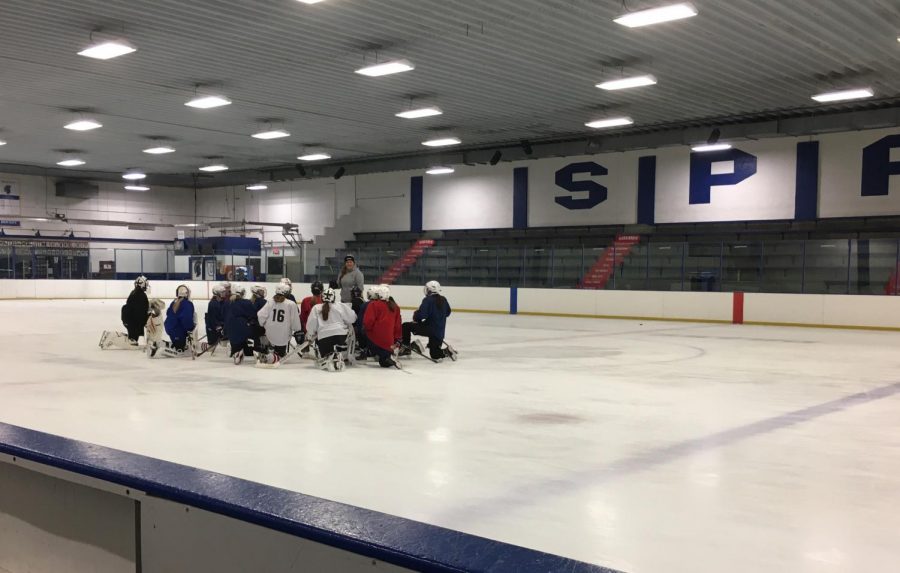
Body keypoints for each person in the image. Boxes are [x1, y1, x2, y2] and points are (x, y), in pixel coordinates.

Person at [401, 280, 453, 360]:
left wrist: (416, 316)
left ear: (429, 290)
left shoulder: (428, 300)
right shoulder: (443, 299)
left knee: (406, 326)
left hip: (429, 329)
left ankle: (406, 348)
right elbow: (448, 312)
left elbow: (422, 315)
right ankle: (446, 352)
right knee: (435, 354)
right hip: (439, 332)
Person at [306, 287, 356, 369]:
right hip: (341, 336)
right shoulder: (340, 306)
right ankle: (341, 354)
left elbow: (311, 325)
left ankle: (330, 357)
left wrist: (310, 334)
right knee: (350, 329)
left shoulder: (316, 308)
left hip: (324, 337)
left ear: (322, 298)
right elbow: (352, 318)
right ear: (334, 297)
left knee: (325, 355)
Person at [257, 284, 303, 360]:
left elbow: (260, 315)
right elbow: (295, 323)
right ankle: (275, 356)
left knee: (269, 336)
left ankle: (269, 350)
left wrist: (264, 325)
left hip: (269, 335)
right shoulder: (291, 304)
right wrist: (297, 330)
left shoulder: (270, 302)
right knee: (281, 354)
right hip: (283, 337)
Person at [362, 284, 402, 369]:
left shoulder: (374, 304)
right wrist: (397, 340)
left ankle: (375, 353)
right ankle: (388, 355)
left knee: (364, 335)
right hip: (390, 343)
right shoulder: (395, 307)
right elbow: (397, 326)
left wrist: (365, 329)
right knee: (383, 363)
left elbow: (367, 322)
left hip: (377, 338)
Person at [226, 285, 258, 364]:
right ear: (242, 293)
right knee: (254, 332)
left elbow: (224, 317)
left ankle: (235, 351)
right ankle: (251, 351)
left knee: (236, 340)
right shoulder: (247, 302)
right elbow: (254, 315)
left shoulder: (227, 303)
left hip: (229, 330)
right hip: (243, 328)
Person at [164, 285, 196, 353]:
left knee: (177, 342)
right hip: (179, 331)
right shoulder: (187, 304)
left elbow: (168, 313)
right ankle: (179, 346)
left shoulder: (173, 302)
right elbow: (186, 318)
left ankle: (175, 344)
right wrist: (191, 328)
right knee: (180, 347)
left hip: (169, 329)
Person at [123, 276, 150, 344]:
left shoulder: (134, 292)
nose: (146, 286)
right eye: (146, 284)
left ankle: (133, 337)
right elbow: (141, 312)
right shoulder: (141, 295)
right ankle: (134, 338)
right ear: (143, 284)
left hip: (129, 320)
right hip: (134, 322)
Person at [205, 283, 228, 349]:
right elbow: (213, 319)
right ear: (217, 293)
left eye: (224, 292)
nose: (224, 293)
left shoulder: (223, 302)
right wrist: (219, 327)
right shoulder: (213, 304)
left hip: (221, 326)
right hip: (214, 329)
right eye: (222, 292)